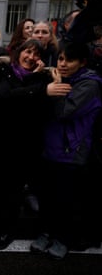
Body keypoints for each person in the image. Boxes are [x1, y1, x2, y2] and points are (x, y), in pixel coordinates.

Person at [0, 39, 71, 250]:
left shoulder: (44, 79)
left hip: (24, 147)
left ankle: (6, 230)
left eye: (36, 54)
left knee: (13, 192)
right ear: (19, 53)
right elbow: (0, 97)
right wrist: (37, 91)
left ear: (42, 59)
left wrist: (37, 83)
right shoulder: (6, 71)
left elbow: (39, 111)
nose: (30, 57)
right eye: (27, 52)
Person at [30, 42, 102, 259]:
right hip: (50, 149)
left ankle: (64, 239)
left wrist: (55, 88)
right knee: (48, 196)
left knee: (68, 200)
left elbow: (64, 112)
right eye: (60, 59)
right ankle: (46, 233)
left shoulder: (89, 85)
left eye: (68, 60)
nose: (62, 64)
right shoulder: (59, 79)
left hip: (73, 152)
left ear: (82, 62)